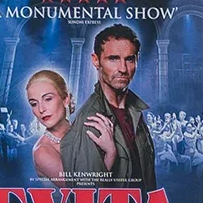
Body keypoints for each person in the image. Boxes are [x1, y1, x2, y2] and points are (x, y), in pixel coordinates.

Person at [59, 24, 156, 188]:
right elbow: (86, 198)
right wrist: (111, 154)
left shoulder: (135, 111)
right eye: (113, 59)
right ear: (96, 60)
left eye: (129, 59)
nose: (123, 69)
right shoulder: (91, 122)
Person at [23, 67, 74, 182]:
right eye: (34, 104)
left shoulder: (82, 131)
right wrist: (110, 154)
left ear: (66, 99)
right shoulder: (42, 151)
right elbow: (83, 192)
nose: (41, 109)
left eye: (48, 99)